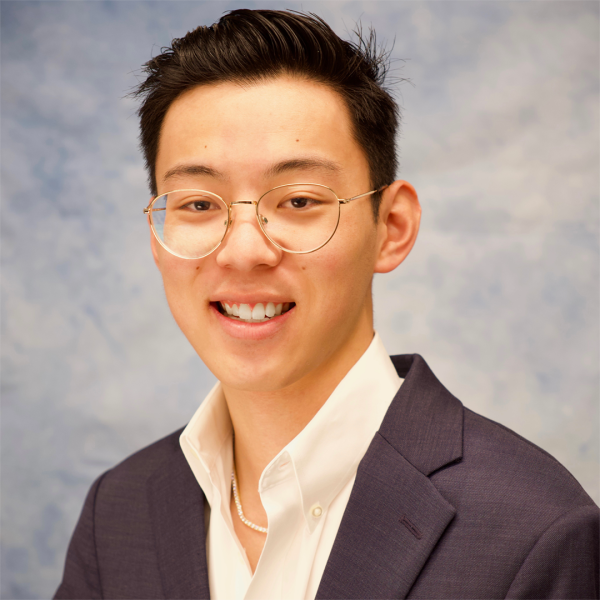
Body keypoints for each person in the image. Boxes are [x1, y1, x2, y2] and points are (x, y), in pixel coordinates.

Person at [54, 9, 600, 600]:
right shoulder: (118, 512)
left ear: (391, 227)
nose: (243, 252)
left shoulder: (535, 532)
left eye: (297, 201)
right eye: (197, 204)